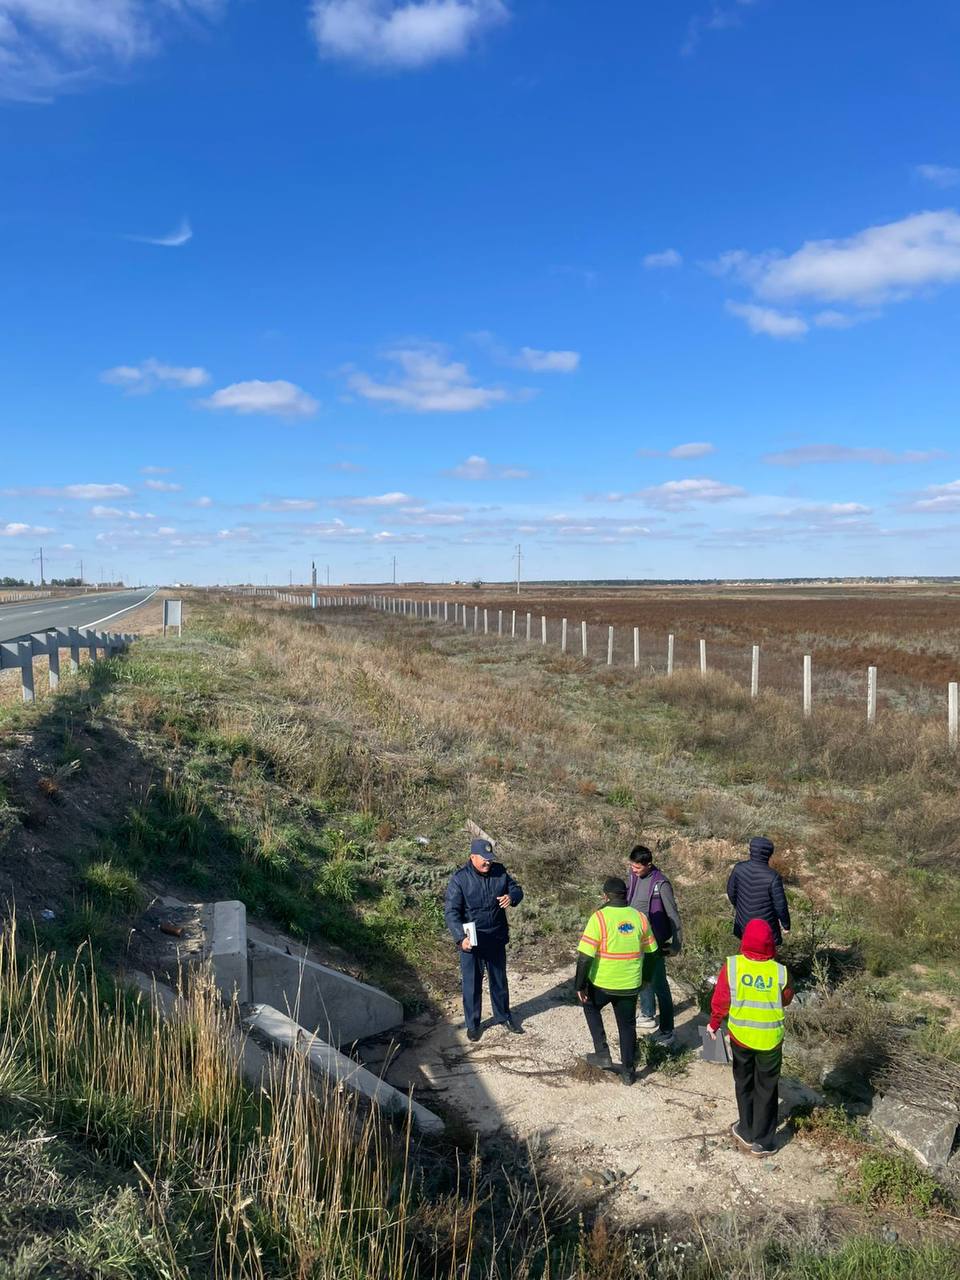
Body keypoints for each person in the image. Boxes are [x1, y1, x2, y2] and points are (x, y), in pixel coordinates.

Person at [708, 918, 794, 1157]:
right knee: (767, 1087)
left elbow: (721, 999)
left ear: (745, 941)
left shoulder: (733, 966)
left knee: (744, 1081)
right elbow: (786, 998)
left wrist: (714, 1023)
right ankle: (764, 1142)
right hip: (770, 1041)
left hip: (741, 1037)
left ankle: (746, 1130)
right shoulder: (780, 971)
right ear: (771, 945)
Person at [575, 876, 659, 1086]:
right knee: (627, 1026)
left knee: (590, 1007)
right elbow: (652, 953)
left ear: (605, 895)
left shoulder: (600, 918)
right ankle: (628, 1073)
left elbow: (585, 956)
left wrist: (580, 985)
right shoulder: (640, 918)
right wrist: (646, 979)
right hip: (630, 985)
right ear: (626, 895)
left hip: (602, 983)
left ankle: (603, 1054)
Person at [444, 838, 524, 1041]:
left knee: (499, 981)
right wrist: (460, 938)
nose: (488, 863)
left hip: (495, 937)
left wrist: (512, 897)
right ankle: (473, 1025)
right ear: (473, 857)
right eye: (484, 859)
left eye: (490, 859)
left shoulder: (500, 871)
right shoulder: (460, 879)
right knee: (472, 985)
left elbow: (516, 889)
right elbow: (451, 912)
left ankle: (503, 1016)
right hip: (472, 940)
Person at [627, 845, 682, 1047]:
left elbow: (673, 916)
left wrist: (677, 945)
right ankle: (648, 1014)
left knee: (660, 986)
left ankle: (667, 1031)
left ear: (648, 865)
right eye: (632, 866)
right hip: (635, 940)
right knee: (643, 978)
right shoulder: (633, 875)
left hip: (654, 942)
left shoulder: (661, 884)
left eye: (638, 867)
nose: (634, 870)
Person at [727, 836, 791, 944]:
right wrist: (786, 925)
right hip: (766, 929)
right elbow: (780, 905)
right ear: (769, 854)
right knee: (765, 957)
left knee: (746, 953)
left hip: (743, 923)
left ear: (751, 850)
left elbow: (731, 892)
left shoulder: (739, 868)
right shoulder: (773, 877)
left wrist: (740, 907)